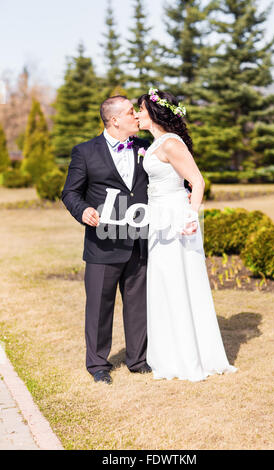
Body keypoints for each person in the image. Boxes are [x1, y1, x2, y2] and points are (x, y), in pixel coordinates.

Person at [137, 88, 237, 381]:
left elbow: (197, 181)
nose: (137, 114)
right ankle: (169, 354)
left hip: (176, 220)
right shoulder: (156, 143)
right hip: (158, 218)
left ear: (154, 112)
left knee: (179, 282)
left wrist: (192, 218)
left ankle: (189, 358)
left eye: (141, 109)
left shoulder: (170, 143)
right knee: (164, 284)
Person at [61, 96, 152, 385]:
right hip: (102, 242)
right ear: (114, 120)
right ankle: (98, 364)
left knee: (138, 304)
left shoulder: (145, 148)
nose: (136, 116)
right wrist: (84, 210)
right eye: (130, 112)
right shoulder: (85, 152)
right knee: (99, 305)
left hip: (138, 239)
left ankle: (138, 360)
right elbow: (70, 193)